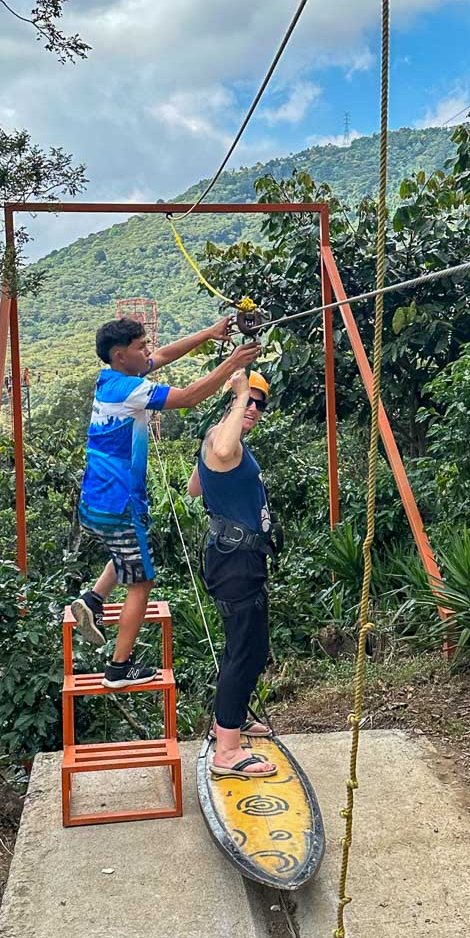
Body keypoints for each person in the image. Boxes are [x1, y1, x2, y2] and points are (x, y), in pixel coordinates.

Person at [70, 317, 260, 688]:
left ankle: (93, 599)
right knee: (141, 583)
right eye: (142, 347)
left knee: (127, 549)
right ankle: (118, 670)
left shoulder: (110, 378)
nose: (149, 351)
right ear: (121, 355)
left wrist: (207, 333)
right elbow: (188, 397)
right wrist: (233, 366)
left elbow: (164, 355)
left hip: (97, 498)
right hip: (118, 502)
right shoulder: (129, 389)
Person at [187, 367, 279, 777]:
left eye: (260, 403)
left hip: (238, 557)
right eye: (249, 401)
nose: (254, 409)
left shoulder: (222, 439)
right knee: (246, 651)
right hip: (235, 560)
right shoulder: (225, 442)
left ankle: (231, 720)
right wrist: (240, 390)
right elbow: (221, 456)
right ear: (233, 401)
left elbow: (195, 486)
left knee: (244, 647)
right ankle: (227, 751)